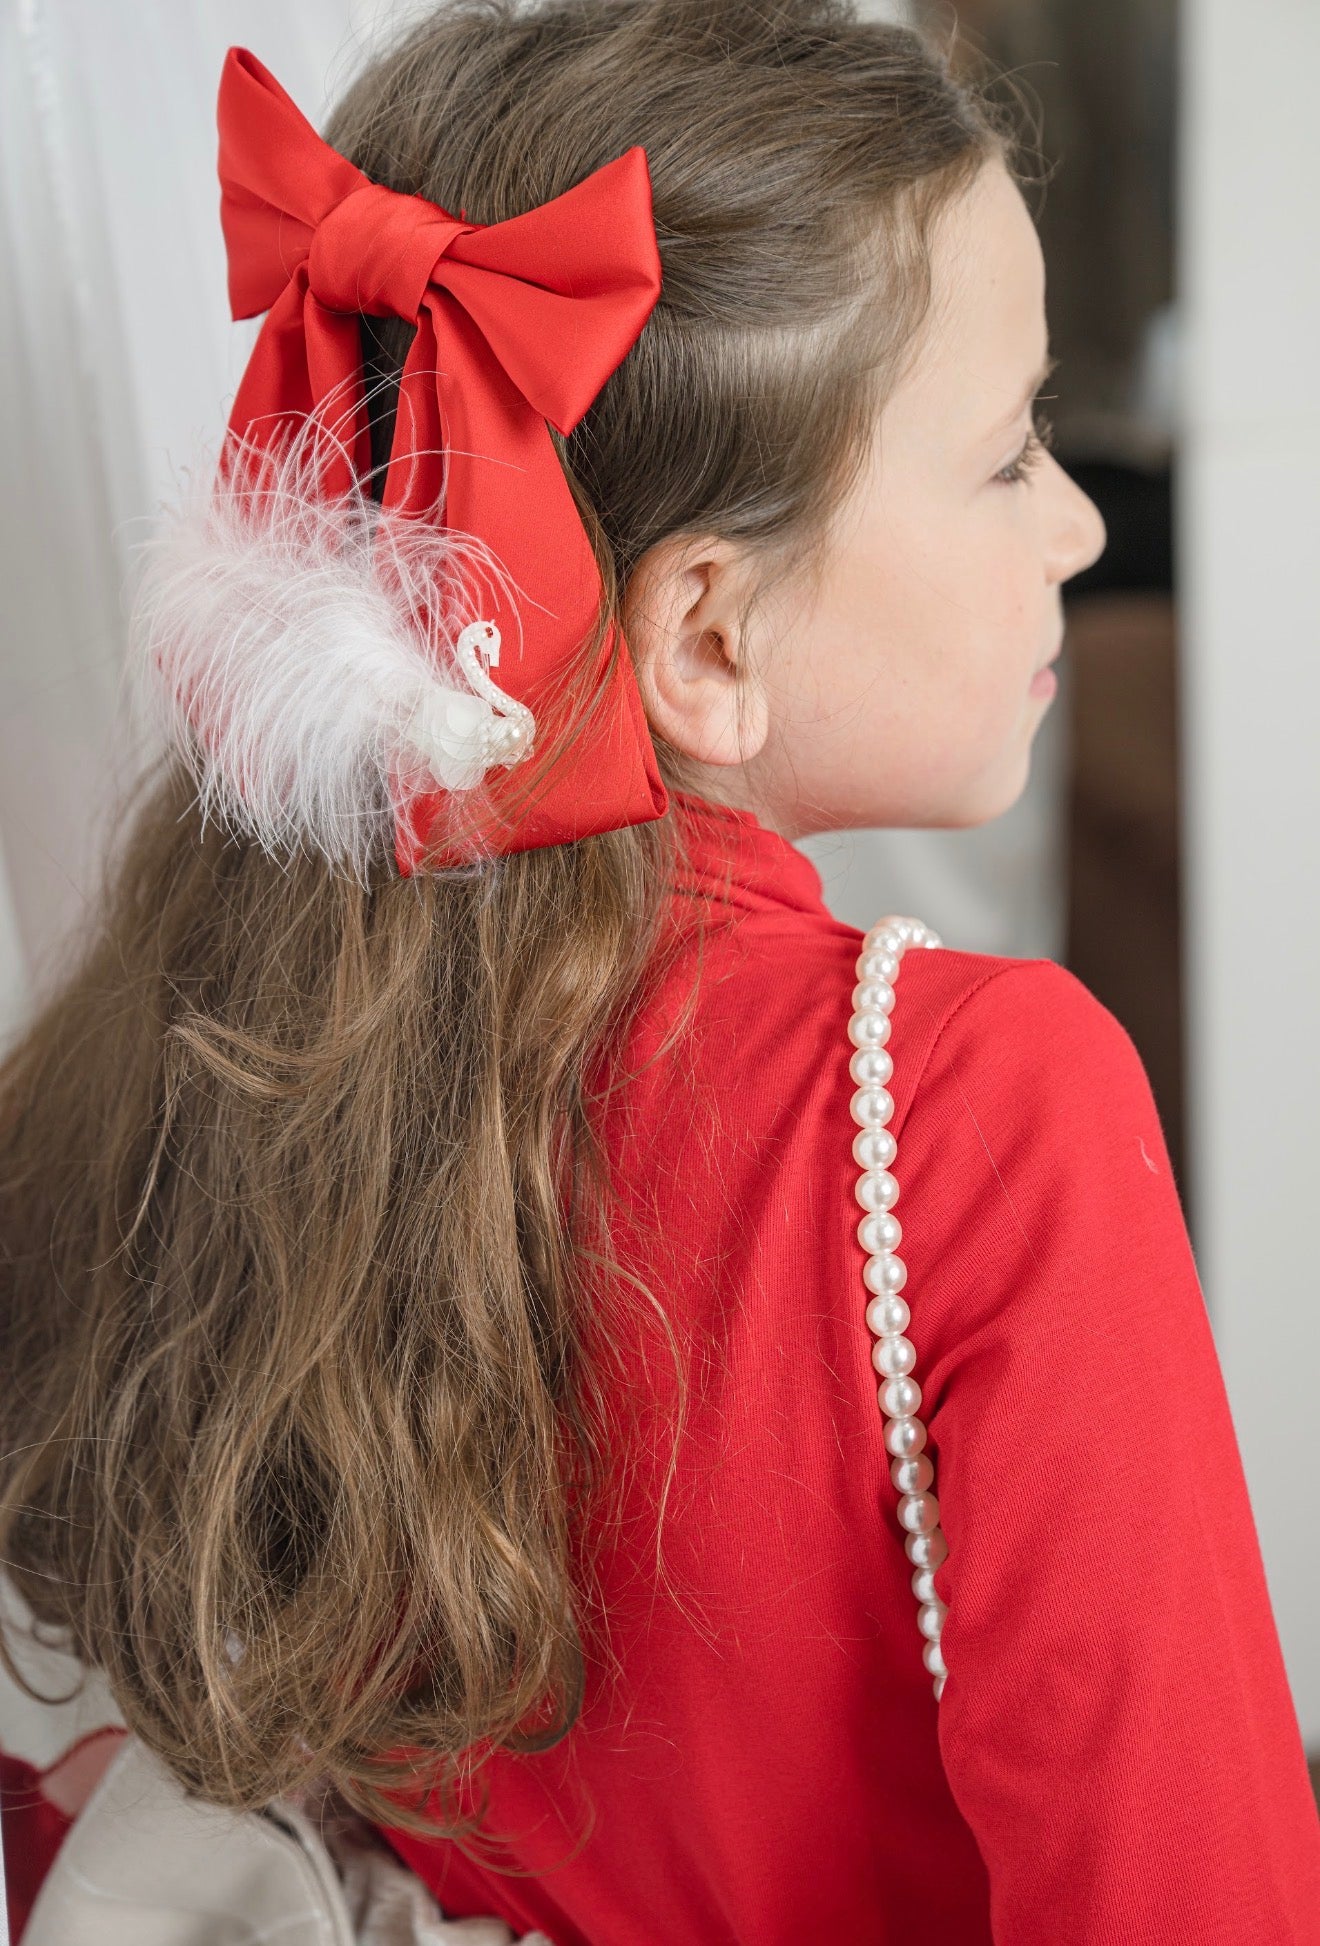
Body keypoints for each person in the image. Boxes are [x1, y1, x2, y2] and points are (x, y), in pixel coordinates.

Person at [1, 2, 1317, 1941]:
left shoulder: (232, 1030)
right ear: (705, 635)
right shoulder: (979, 1103)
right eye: (1008, 448)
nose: (1080, 521)